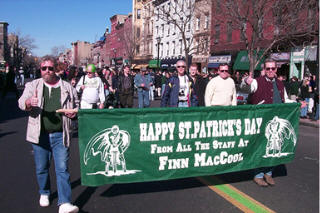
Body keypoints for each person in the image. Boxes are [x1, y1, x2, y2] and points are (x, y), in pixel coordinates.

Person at [18, 56, 79, 213]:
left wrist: (74, 113)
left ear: (55, 69)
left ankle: (64, 202)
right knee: (42, 167)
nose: (47, 71)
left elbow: (77, 105)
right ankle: (44, 192)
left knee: (62, 169)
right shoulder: (33, 85)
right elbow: (22, 101)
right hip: (40, 135)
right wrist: (28, 102)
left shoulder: (67, 87)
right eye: (43, 68)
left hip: (61, 134)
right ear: (40, 69)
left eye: (50, 68)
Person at [241, 58, 293, 187]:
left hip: (276, 122)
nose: (270, 71)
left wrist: (298, 104)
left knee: (275, 148)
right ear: (264, 69)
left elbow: (285, 100)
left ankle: (268, 173)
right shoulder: (257, 82)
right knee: (260, 148)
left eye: (273, 68)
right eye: (267, 68)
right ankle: (258, 175)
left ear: (276, 69)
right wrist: (245, 82)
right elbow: (245, 88)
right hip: (261, 121)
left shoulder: (280, 84)